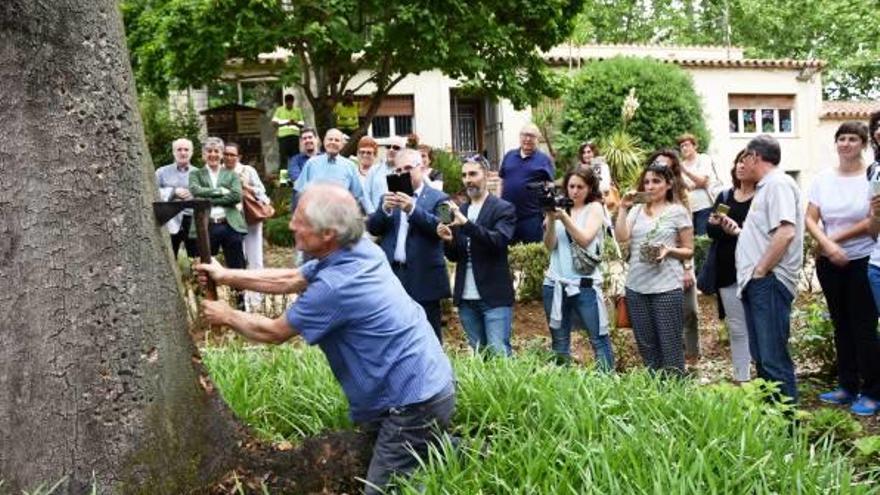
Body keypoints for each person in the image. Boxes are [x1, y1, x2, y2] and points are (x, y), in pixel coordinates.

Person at [194, 184, 456, 495]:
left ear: (328, 233)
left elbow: (274, 332)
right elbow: (293, 278)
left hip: (414, 402)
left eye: (301, 220)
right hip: (424, 383)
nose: (291, 224)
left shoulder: (336, 285)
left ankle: (446, 447)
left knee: (385, 489)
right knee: (418, 450)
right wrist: (227, 276)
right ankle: (461, 448)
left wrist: (226, 315)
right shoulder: (358, 248)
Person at [807, 122, 880, 416]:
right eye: (841, 138)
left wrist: (833, 241)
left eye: (853, 139)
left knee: (864, 327)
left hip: (862, 259)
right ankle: (847, 386)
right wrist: (826, 244)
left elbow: (872, 220)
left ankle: (873, 392)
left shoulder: (871, 175)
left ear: (863, 144)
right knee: (841, 324)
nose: (846, 144)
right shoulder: (822, 178)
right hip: (829, 263)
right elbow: (811, 217)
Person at [734, 134, 803, 403]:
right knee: (763, 358)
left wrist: (761, 270)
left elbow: (785, 232)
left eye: (745, 157)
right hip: (759, 283)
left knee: (773, 359)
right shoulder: (767, 186)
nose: (743, 162)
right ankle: (771, 423)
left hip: (769, 283)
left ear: (755, 157)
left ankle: (787, 428)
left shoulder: (778, 184)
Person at [615, 162, 694, 375]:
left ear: (668, 184)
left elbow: (689, 250)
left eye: (656, 181)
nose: (650, 186)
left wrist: (669, 251)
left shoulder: (677, 212)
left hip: (667, 288)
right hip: (637, 287)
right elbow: (622, 237)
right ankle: (654, 394)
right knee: (647, 347)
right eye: (647, 182)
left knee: (670, 347)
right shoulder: (637, 211)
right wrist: (623, 208)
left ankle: (676, 393)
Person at [367, 149, 451, 341]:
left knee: (429, 336)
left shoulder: (441, 198)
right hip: (394, 276)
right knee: (395, 334)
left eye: (407, 168)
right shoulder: (387, 198)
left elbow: (445, 227)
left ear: (421, 168)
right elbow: (373, 228)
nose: (402, 174)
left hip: (425, 277)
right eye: (398, 170)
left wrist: (412, 209)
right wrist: (384, 210)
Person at [437, 158, 516, 356]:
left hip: (494, 296)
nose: (468, 180)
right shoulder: (461, 210)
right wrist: (447, 240)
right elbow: (455, 256)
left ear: (487, 176)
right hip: (466, 297)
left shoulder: (503, 208)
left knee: (499, 353)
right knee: (480, 355)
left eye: (473, 174)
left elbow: (498, 241)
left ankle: (506, 388)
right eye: (464, 175)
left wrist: (466, 225)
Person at [542, 168, 615, 370]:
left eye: (580, 187)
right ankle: (564, 386)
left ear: (590, 188)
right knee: (559, 342)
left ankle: (607, 385)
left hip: (585, 285)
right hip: (555, 283)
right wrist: (550, 218)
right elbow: (549, 245)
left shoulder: (594, 208)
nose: (574, 191)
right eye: (571, 186)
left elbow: (584, 239)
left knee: (599, 339)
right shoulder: (558, 208)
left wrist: (564, 218)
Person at [705, 150, 755, 384]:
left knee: (759, 325)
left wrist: (738, 231)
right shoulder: (725, 196)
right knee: (736, 326)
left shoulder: (763, 197)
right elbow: (711, 233)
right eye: (738, 162)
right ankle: (742, 377)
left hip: (757, 269)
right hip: (727, 269)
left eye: (746, 162)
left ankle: (766, 374)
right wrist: (717, 225)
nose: (741, 166)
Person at [646, 149, 700, 363]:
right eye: (657, 164)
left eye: (666, 166)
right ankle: (667, 356)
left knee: (689, 311)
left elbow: (687, 236)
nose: (661, 168)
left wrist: (687, 267)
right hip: (652, 261)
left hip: (679, 257)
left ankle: (692, 357)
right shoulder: (645, 194)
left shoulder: (680, 196)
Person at [223, 142, 272, 311]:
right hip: (229, 222)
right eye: (226, 154)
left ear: (239, 157)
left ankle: (258, 299)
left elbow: (263, 195)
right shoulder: (218, 172)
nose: (229, 157)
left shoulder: (248, 171)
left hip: (250, 220)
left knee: (255, 259)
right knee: (238, 262)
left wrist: (246, 185)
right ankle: (242, 302)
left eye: (232, 154)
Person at [188, 137, 247, 270]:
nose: (213, 154)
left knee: (237, 264)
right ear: (203, 154)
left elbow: (236, 196)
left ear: (221, 154)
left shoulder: (231, 175)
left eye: (216, 151)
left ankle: (239, 290)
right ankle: (210, 291)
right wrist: (221, 191)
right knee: (207, 265)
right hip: (206, 225)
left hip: (229, 223)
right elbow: (195, 191)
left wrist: (209, 200)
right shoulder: (196, 174)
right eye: (209, 151)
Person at [499, 123, 555, 244]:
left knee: (534, 252)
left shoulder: (544, 159)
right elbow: (502, 181)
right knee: (508, 252)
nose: (528, 139)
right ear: (520, 137)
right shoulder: (509, 156)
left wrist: (548, 214)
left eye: (532, 136)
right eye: (525, 135)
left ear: (537, 139)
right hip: (508, 216)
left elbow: (550, 186)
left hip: (532, 217)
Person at [294, 128, 367, 213]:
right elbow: (300, 192)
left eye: (337, 140)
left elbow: (357, 196)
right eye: (330, 139)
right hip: (315, 216)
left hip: (341, 217)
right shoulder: (311, 163)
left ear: (342, 144)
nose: (333, 142)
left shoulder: (350, 166)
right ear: (324, 142)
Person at [155, 137, 198, 258]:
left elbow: (207, 195)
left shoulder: (199, 173)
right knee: (168, 257)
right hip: (169, 219)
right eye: (179, 149)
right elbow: (152, 192)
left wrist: (193, 193)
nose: (183, 152)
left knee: (196, 258)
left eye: (186, 149)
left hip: (192, 220)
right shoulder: (161, 172)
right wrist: (173, 192)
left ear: (191, 152)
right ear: (173, 152)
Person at [677, 133, 717, 235]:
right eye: (682, 146)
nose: (684, 148)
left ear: (695, 146)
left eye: (687, 145)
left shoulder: (703, 158)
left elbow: (702, 181)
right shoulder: (681, 165)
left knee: (703, 241)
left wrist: (686, 173)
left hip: (704, 207)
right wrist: (693, 184)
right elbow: (680, 186)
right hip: (687, 210)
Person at [364, 135, 405, 216]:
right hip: (377, 217)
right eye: (388, 146)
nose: (391, 150)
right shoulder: (374, 170)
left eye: (396, 147)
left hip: (399, 220)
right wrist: (372, 213)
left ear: (403, 151)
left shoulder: (406, 171)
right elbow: (365, 194)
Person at [287, 128, 320, 207]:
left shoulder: (325, 158)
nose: (307, 140)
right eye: (304, 138)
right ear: (301, 142)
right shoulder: (295, 161)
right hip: (303, 203)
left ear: (316, 139)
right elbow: (298, 181)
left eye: (310, 137)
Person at [272, 94, 305, 169]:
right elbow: (273, 123)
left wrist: (295, 123)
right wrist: (285, 123)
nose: (289, 104)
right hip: (283, 137)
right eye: (287, 103)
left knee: (295, 157)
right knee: (283, 158)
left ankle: (295, 176)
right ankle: (284, 179)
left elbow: (302, 124)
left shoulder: (297, 110)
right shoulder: (279, 110)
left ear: (293, 102)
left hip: (294, 137)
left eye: (290, 103)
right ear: (285, 102)